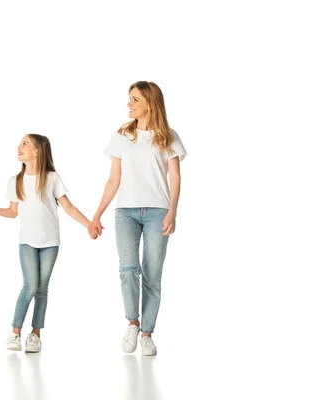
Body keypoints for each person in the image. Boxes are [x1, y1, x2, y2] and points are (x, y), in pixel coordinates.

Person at [88, 81, 187, 355]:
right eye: (129, 99)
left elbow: (175, 178)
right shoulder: (122, 137)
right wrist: (96, 215)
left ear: (150, 103)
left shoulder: (168, 136)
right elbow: (113, 180)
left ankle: (147, 334)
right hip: (126, 213)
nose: (129, 104)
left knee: (152, 275)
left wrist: (172, 212)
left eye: (134, 99)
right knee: (128, 269)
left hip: (158, 212)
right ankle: (132, 322)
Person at [0, 134, 93, 353]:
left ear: (37, 151)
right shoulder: (15, 181)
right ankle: (15, 333)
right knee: (30, 285)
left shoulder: (52, 178)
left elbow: (68, 207)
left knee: (42, 289)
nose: (19, 146)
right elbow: (12, 211)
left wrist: (89, 225)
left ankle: (35, 334)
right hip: (27, 242)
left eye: (24, 143)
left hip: (50, 243)